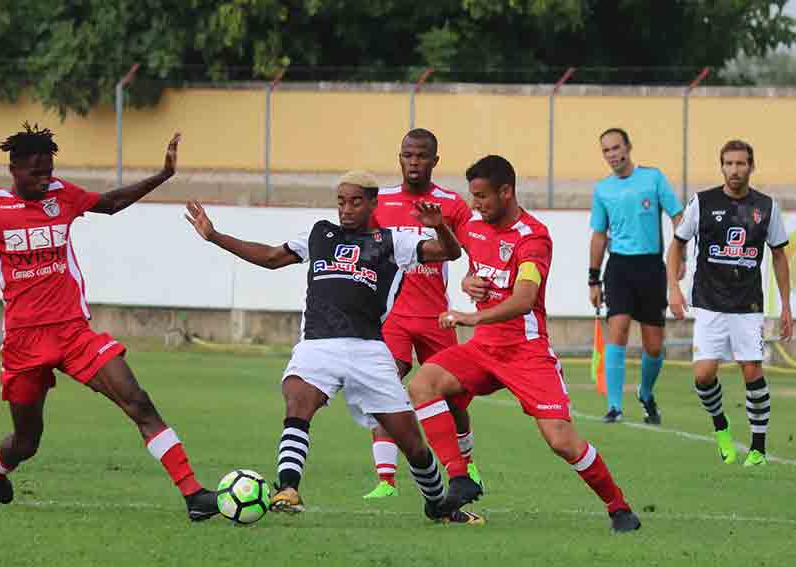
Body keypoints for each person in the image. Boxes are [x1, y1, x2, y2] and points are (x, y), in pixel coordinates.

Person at [0, 123, 219, 521]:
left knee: (138, 401)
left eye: (49, 170)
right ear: (14, 169)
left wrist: (162, 176)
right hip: (24, 341)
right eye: (36, 172)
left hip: (74, 331)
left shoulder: (61, 195)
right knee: (27, 440)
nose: (45, 179)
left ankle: (194, 494)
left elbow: (109, 203)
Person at [184, 170, 483, 525]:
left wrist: (440, 226)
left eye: (356, 201)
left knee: (412, 444)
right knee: (298, 399)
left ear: (374, 203)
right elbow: (268, 257)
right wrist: (214, 236)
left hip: (368, 350)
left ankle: (438, 505)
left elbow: (448, 253)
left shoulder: (393, 241)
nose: (346, 209)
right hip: (318, 345)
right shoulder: (318, 235)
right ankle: (288, 488)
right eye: (341, 201)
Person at [409, 155, 642, 533]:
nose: (476, 204)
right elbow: (467, 259)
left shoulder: (533, 237)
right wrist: (459, 264)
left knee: (561, 441)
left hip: (526, 351)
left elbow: (523, 298)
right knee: (422, 384)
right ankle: (461, 477)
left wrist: (472, 317)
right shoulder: (476, 227)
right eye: (473, 196)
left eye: (482, 196)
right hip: (484, 349)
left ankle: (619, 508)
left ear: (506, 191)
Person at [363, 128, 481, 499]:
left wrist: (473, 280)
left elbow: (473, 250)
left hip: (436, 316)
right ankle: (386, 479)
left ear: (434, 161)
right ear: (400, 158)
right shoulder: (379, 202)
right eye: (407, 155)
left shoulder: (453, 205)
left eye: (421, 156)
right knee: (384, 385)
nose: (414, 162)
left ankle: (467, 462)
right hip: (394, 315)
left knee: (453, 397)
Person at [667, 140, 792, 467]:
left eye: (741, 164)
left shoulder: (766, 207)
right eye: (729, 164)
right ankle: (721, 427)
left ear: (751, 166)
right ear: (721, 166)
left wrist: (786, 307)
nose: (735, 170)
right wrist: (674, 289)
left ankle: (758, 449)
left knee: (751, 370)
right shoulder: (703, 202)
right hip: (708, 302)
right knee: (704, 375)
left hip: (748, 305)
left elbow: (779, 255)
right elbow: (677, 245)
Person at [588, 128, 684, 424]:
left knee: (653, 345)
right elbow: (599, 235)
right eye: (606, 150)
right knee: (617, 329)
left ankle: (645, 391)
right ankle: (615, 406)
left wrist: (682, 256)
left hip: (651, 268)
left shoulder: (653, 179)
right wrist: (593, 278)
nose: (612, 154)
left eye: (617, 148)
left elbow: (678, 216)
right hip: (618, 267)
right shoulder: (602, 189)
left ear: (628, 147)